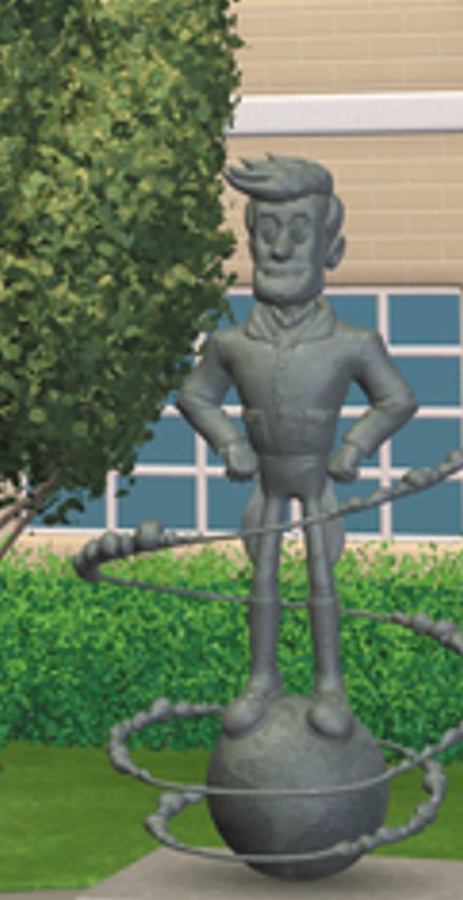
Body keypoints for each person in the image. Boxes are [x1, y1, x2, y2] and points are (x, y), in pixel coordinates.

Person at [169, 155, 416, 741]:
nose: (280, 250)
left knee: (321, 582)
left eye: (299, 234)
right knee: (263, 580)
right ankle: (262, 678)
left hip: (316, 479)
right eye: (267, 233)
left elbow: (397, 399)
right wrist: (230, 443)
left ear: (330, 250)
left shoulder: (353, 343)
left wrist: (354, 446)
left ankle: (330, 684)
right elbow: (195, 397)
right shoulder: (232, 343)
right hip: (268, 482)